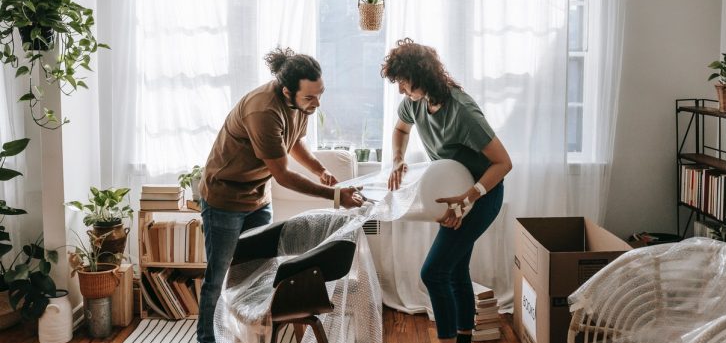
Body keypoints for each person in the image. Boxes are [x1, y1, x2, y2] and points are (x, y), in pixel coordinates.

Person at [196, 47, 364, 343]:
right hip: (224, 199)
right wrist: (335, 196)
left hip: (258, 197)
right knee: (221, 274)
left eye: (320, 93)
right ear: (287, 91)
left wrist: (319, 169)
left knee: (260, 271)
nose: (317, 103)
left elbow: (294, 141)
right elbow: (284, 175)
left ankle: (249, 334)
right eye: (310, 97)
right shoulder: (263, 110)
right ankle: (207, 338)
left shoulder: (301, 105)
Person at [381, 38, 512, 343]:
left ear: (422, 75)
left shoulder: (462, 112)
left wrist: (468, 199)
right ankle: (463, 338)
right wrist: (398, 160)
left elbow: (503, 163)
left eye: (403, 81)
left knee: (433, 273)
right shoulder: (415, 102)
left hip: (484, 193)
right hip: (456, 190)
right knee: (454, 271)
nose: (400, 89)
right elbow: (400, 130)